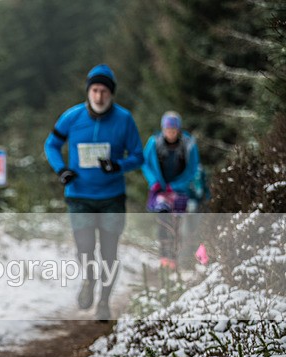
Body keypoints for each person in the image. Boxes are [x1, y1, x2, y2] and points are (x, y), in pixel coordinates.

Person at [44, 64, 144, 321]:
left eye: (104, 92)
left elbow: (138, 157)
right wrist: (61, 170)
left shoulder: (124, 119)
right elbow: (51, 144)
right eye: (95, 90)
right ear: (89, 91)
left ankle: (104, 302)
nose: (99, 96)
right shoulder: (72, 117)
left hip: (112, 196)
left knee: (109, 253)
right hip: (79, 195)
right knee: (85, 248)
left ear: (111, 94)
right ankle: (88, 280)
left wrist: (118, 165)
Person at [141, 111, 201, 270]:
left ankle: (174, 258)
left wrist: (174, 186)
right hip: (160, 189)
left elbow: (192, 170)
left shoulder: (188, 144)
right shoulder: (154, 142)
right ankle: (163, 256)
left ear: (179, 130)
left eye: (174, 130)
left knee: (177, 222)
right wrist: (153, 181)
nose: (171, 133)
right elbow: (145, 163)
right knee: (162, 220)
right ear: (163, 129)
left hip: (179, 190)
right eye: (168, 130)